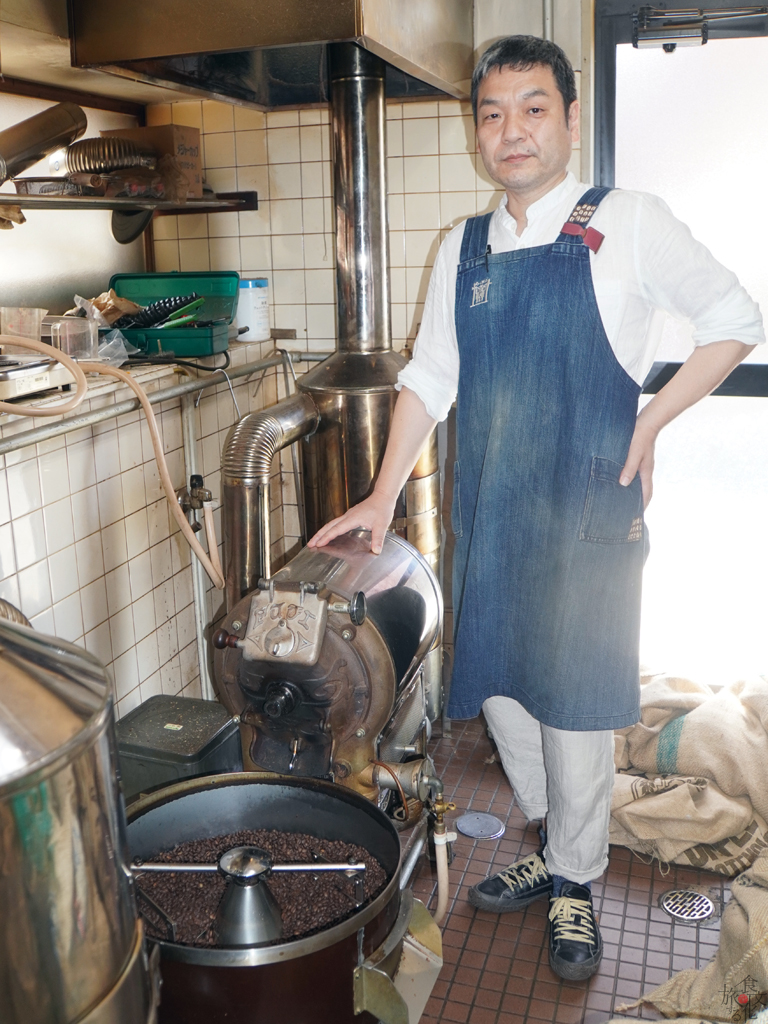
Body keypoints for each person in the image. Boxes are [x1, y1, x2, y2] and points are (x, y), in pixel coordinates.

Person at [309, 35, 764, 980]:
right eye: (492, 112)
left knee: (574, 702)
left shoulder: (627, 220)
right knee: (506, 693)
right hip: (497, 511)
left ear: (568, 118)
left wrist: (654, 421)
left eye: (534, 108)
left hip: (592, 511)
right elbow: (431, 377)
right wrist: (383, 497)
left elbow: (734, 319)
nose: (512, 130)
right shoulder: (466, 246)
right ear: (478, 129)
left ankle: (577, 883)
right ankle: (558, 840)